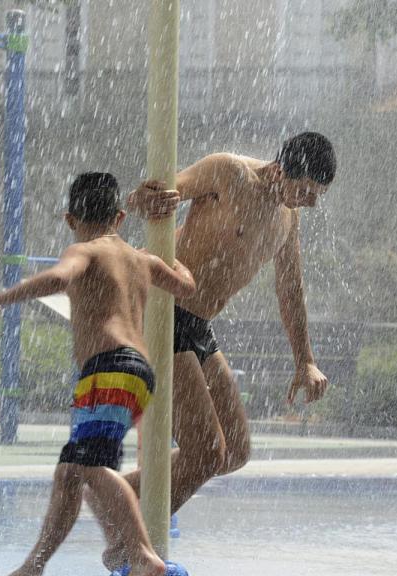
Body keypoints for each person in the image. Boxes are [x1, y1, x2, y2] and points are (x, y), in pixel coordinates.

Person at [0, 172, 196, 576]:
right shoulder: (141, 259)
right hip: (135, 373)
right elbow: (186, 286)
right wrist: (172, 255)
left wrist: (2, 299)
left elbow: (59, 278)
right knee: (70, 472)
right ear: (120, 216)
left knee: (92, 468)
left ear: (70, 219)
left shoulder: (85, 251)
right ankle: (34, 566)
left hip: (107, 371)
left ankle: (141, 553)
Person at [112, 131, 337, 517]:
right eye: (305, 191)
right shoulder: (229, 172)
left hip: (198, 325)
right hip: (163, 309)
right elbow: (159, 193)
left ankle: (112, 493)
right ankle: (134, 540)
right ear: (280, 170)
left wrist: (305, 361)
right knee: (206, 453)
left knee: (234, 451)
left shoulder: (288, 218)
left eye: (318, 195)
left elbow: (290, 289)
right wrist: (140, 199)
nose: (311, 202)